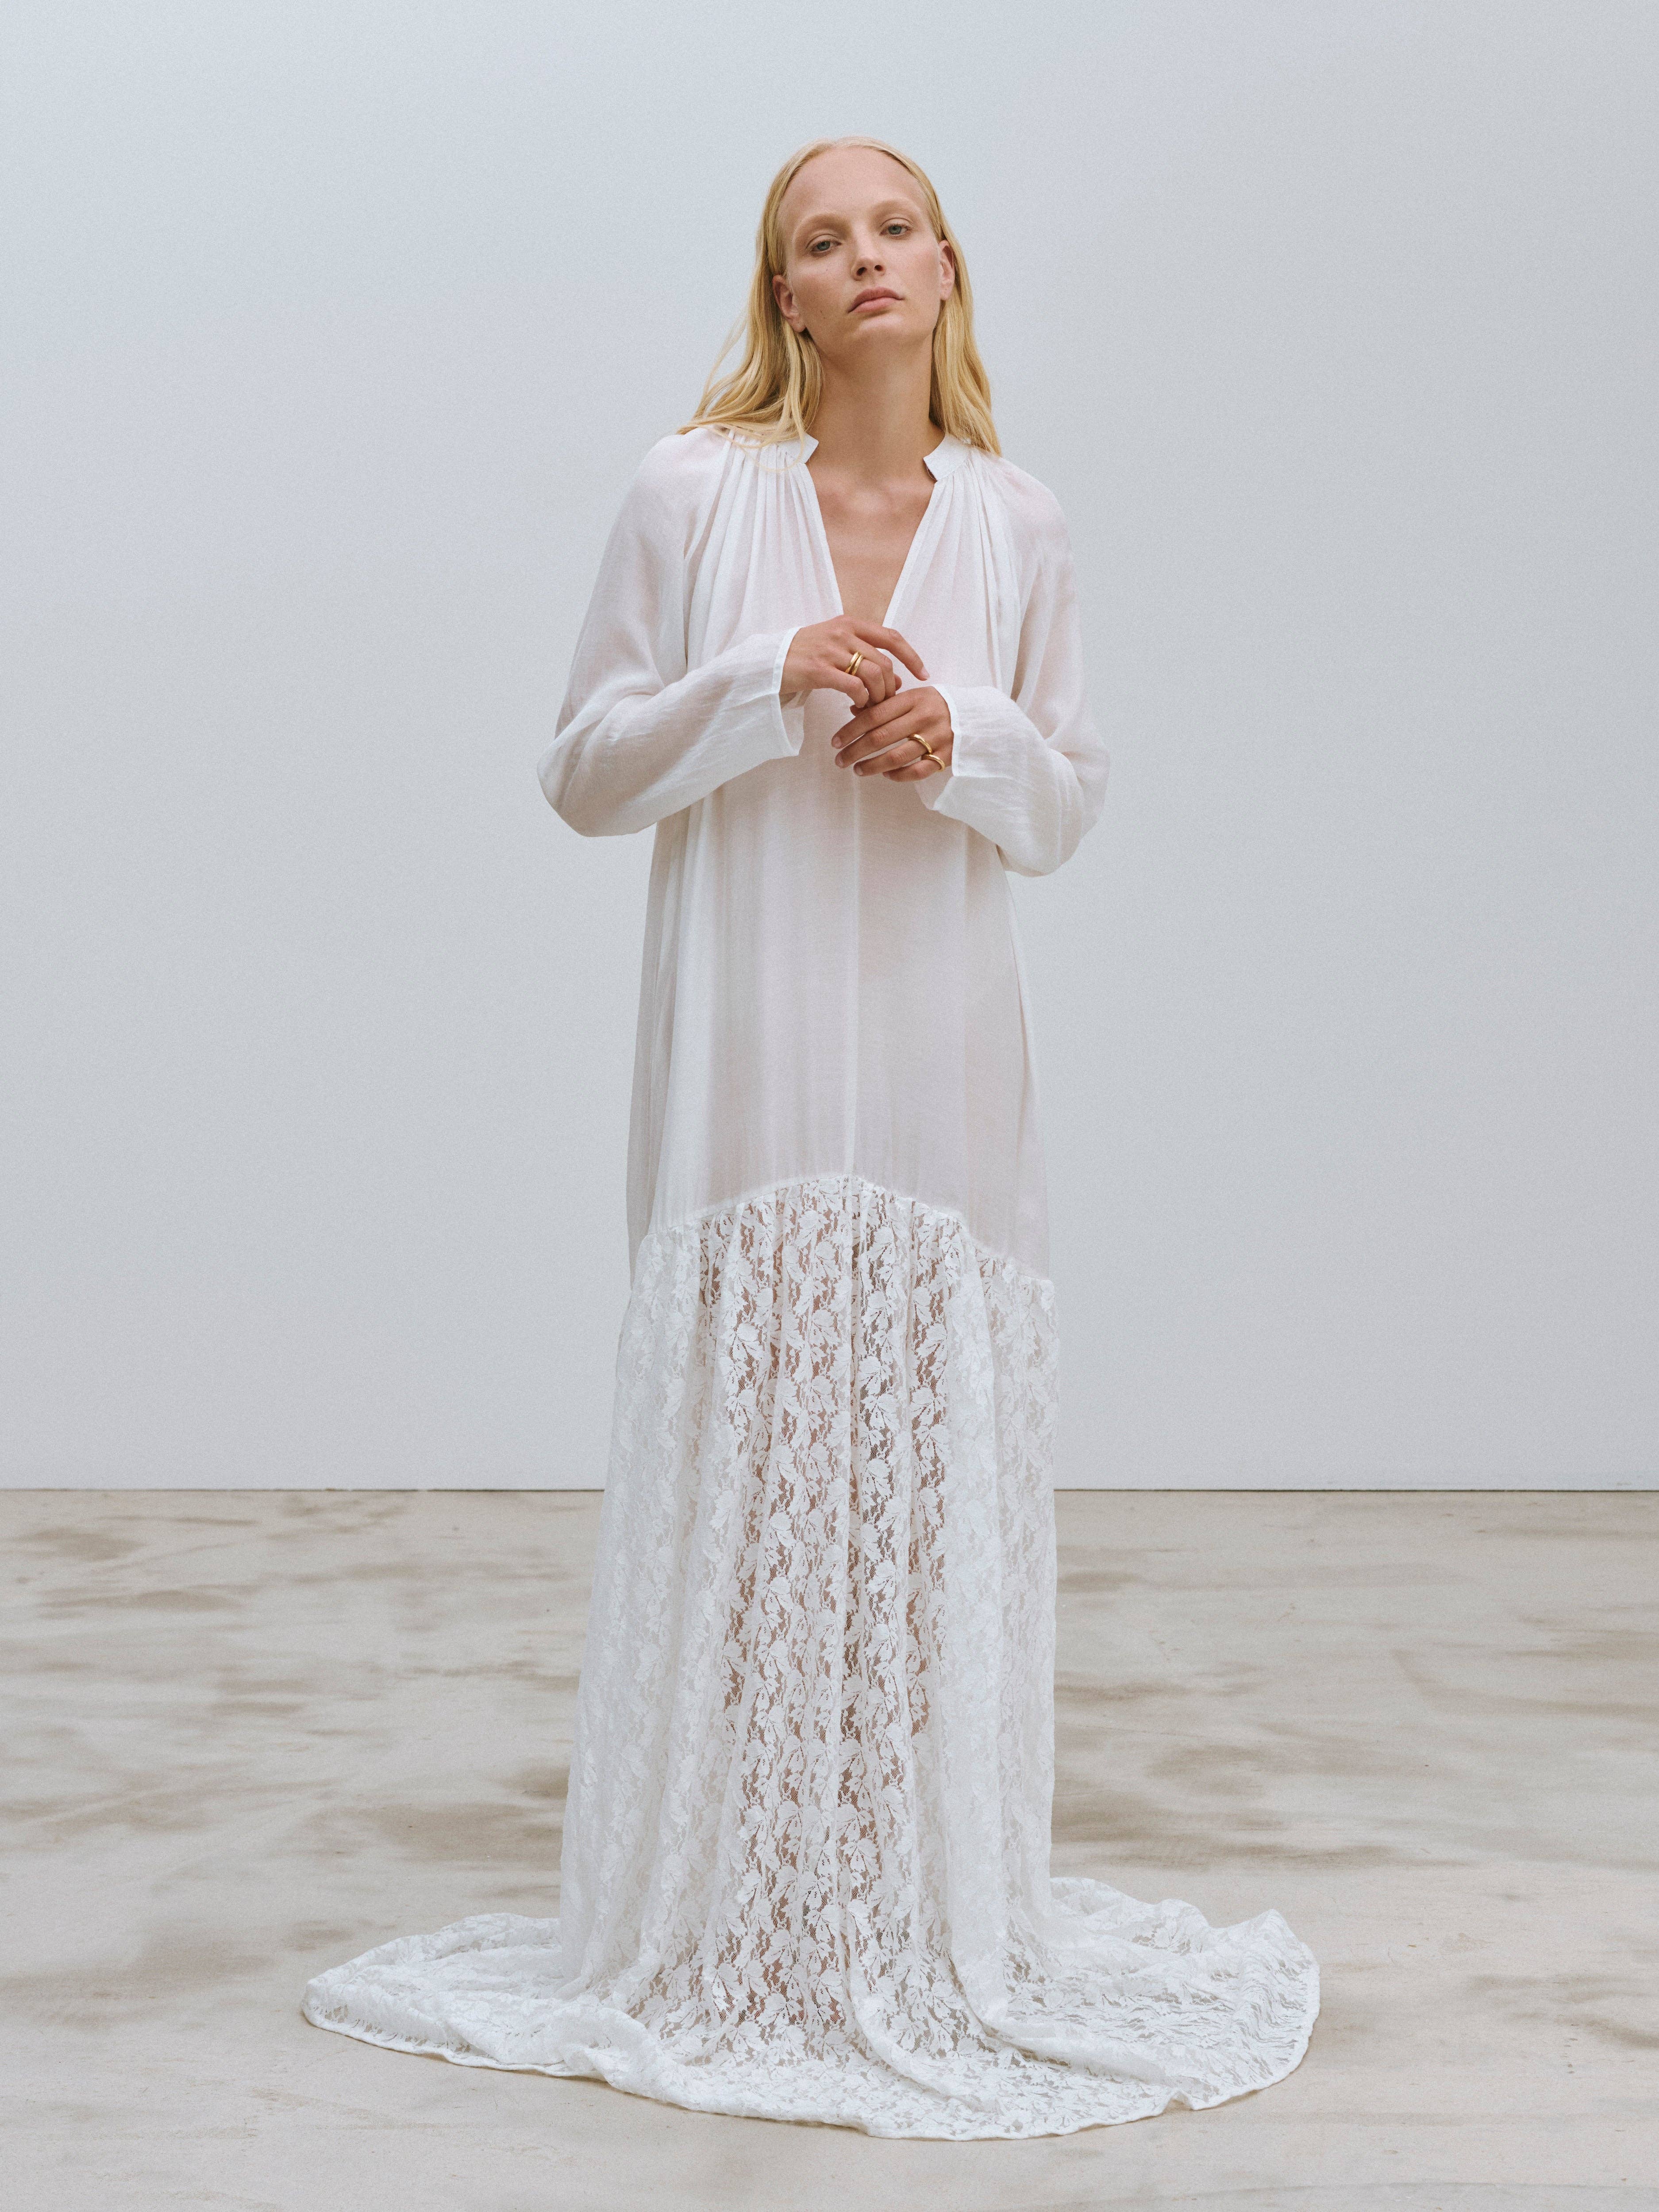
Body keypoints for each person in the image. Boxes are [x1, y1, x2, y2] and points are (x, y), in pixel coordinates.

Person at [303, 134, 1319, 2139]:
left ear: (946, 267)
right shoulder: (694, 494)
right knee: (756, 1467)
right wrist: (762, 678)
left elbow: (1067, 795)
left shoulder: (1017, 523)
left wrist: (971, 742)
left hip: (943, 1072)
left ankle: (910, 1909)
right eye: (820, 239)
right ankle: (734, 1915)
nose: (864, 258)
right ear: (784, 293)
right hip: (746, 1068)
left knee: (918, 1486)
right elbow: (584, 769)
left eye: (894, 227)